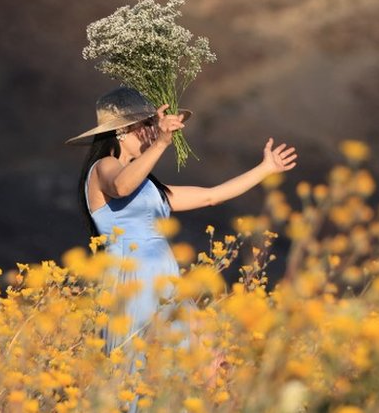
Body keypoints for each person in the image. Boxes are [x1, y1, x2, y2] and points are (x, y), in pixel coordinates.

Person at [66, 87, 297, 358]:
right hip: (132, 280)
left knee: (205, 356)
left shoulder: (151, 188)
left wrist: (265, 169)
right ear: (121, 131)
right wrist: (161, 143)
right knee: (148, 365)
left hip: (165, 278)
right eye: (147, 126)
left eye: (155, 127)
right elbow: (122, 185)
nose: (153, 132)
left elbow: (211, 196)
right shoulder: (103, 166)